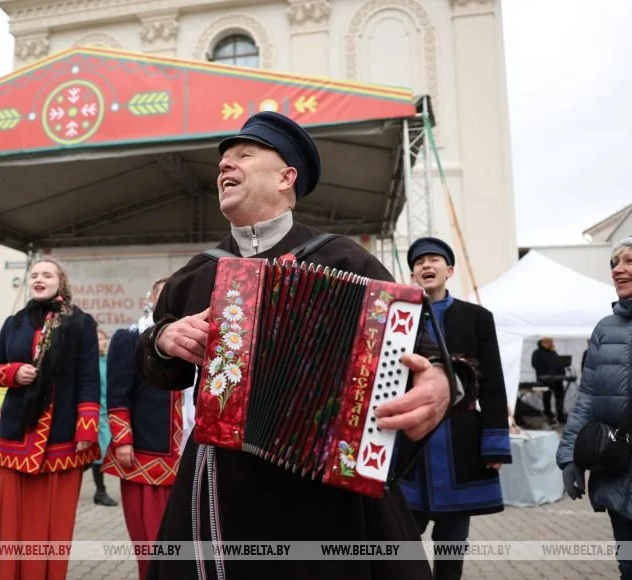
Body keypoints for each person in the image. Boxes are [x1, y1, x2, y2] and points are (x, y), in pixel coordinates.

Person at [134, 111, 477, 580]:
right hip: (222, 483)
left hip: (326, 488)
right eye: (222, 163)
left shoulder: (343, 257)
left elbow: (421, 344)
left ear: (285, 177)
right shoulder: (198, 272)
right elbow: (157, 369)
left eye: (243, 156)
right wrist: (163, 340)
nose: (224, 168)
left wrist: (440, 379)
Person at [399, 236, 512, 580]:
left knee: (451, 545)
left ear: (448, 270)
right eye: (419, 262)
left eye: (434, 260)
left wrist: (495, 445)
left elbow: (492, 382)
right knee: (402, 540)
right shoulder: (400, 318)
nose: (426, 266)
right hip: (409, 447)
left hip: (461, 443)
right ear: (413, 275)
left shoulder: (477, 318)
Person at [0, 256, 101, 580]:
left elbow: (89, 378)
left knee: (54, 527)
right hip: (16, 438)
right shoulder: (14, 323)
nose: (39, 278)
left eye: (47, 274)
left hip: (61, 438)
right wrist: (12, 372)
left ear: (60, 282)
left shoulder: (81, 323)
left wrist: (86, 430)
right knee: (7, 522)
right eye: (34, 274)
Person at [557, 235, 632, 579]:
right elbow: (586, 396)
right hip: (618, 466)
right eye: (615, 263)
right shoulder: (604, 329)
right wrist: (571, 456)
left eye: (629, 261)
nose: (619, 269)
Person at [102, 278, 182, 580]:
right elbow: (118, 393)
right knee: (150, 544)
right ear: (151, 298)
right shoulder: (130, 338)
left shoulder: (203, 339)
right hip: (146, 457)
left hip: (190, 459)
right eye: (162, 293)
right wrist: (122, 439)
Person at [91, 328, 118, 507]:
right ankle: (100, 491)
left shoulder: (110, 362)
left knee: (103, 452)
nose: (103, 342)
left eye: (104, 339)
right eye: (99, 339)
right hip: (96, 415)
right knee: (99, 453)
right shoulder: (90, 364)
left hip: (109, 414)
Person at [532, 337, 567, 425]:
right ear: (543, 343)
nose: (551, 344)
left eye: (551, 343)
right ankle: (549, 416)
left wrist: (562, 372)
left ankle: (560, 415)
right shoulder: (537, 353)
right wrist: (546, 373)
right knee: (547, 397)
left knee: (559, 396)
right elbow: (535, 364)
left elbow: (559, 363)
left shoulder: (553, 352)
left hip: (557, 379)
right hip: (545, 380)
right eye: (549, 343)